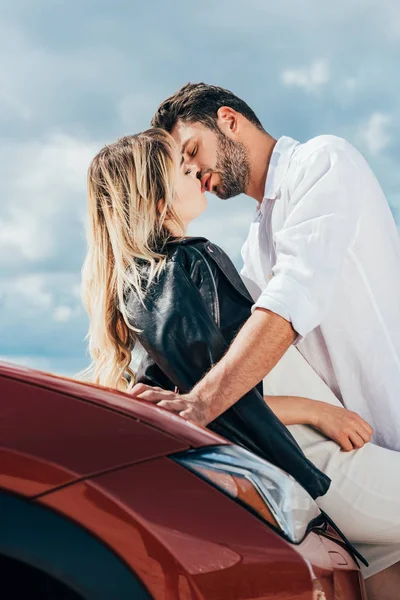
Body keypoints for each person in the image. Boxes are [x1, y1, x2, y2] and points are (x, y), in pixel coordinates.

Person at [81, 127, 400, 598]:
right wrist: (319, 411)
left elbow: (191, 400)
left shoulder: (145, 285)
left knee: (386, 573)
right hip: (319, 461)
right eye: (182, 166)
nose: (196, 171)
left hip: (299, 470)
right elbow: (221, 406)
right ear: (154, 194)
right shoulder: (188, 267)